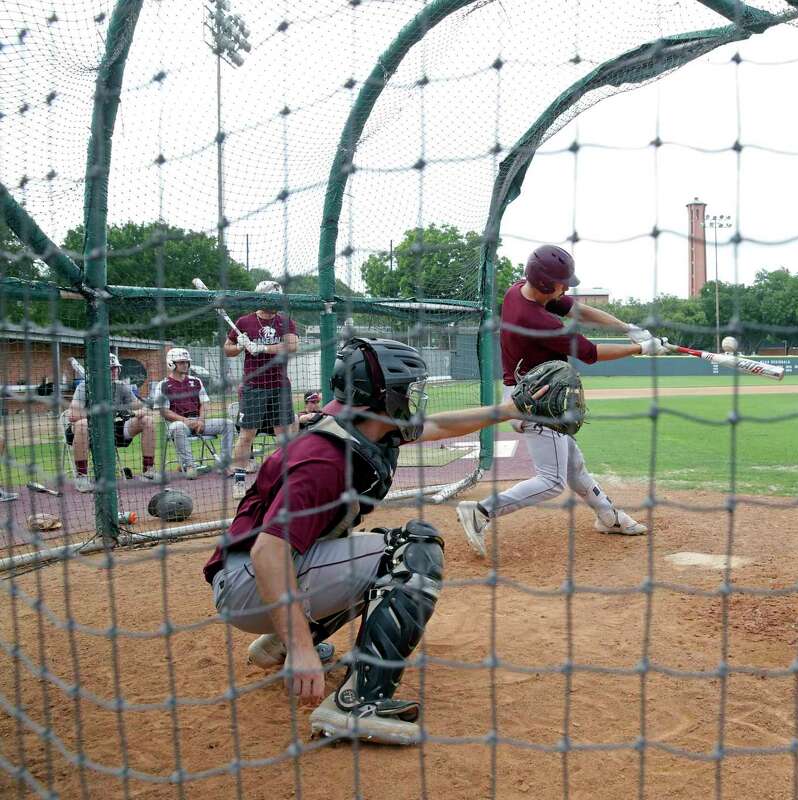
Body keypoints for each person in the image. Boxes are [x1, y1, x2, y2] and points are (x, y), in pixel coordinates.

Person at [204, 337, 535, 743]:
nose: (414, 396)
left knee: (379, 559)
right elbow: (268, 551)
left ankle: (276, 646)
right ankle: (355, 704)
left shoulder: (362, 429)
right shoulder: (324, 459)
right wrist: (305, 650)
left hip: (263, 578)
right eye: (408, 388)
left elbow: (439, 426)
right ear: (383, 395)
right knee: (411, 552)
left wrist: (505, 410)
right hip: (249, 582)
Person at [454, 244, 671, 557]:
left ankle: (608, 517)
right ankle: (481, 511)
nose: (567, 287)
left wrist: (629, 329)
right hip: (538, 401)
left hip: (531, 391)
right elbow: (592, 353)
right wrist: (641, 350)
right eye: (563, 283)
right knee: (552, 481)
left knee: (573, 466)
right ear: (545, 284)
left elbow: (579, 310)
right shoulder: (540, 322)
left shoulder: (518, 291)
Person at [223, 280, 299, 486]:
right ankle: (239, 481)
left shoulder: (284, 321)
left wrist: (262, 348)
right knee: (247, 434)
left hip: (279, 385)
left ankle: (283, 478)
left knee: (283, 434)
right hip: (254, 386)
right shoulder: (244, 322)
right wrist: (240, 345)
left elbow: (292, 345)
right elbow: (227, 349)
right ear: (261, 298)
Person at [67, 353, 159, 493]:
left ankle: (148, 470)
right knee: (82, 424)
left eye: (116, 368)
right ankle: (82, 477)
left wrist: (129, 413)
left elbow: (143, 409)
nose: (114, 371)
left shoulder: (121, 387)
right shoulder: (84, 387)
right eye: (110, 368)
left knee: (148, 421)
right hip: (87, 431)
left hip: (112, 430)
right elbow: (73, 415)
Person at [150, 347, 236, 478]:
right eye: (181, 362)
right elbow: (164, 411)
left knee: (228, 423)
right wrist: (185, 421)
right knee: (178, 427)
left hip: (199, 421)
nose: (185, 365)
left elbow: (205, 403)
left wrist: (201, 420)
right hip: (179, 424)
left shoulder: (196, 381)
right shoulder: (163, 385)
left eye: (187, 362)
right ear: (171, 364)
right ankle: (190, 465)